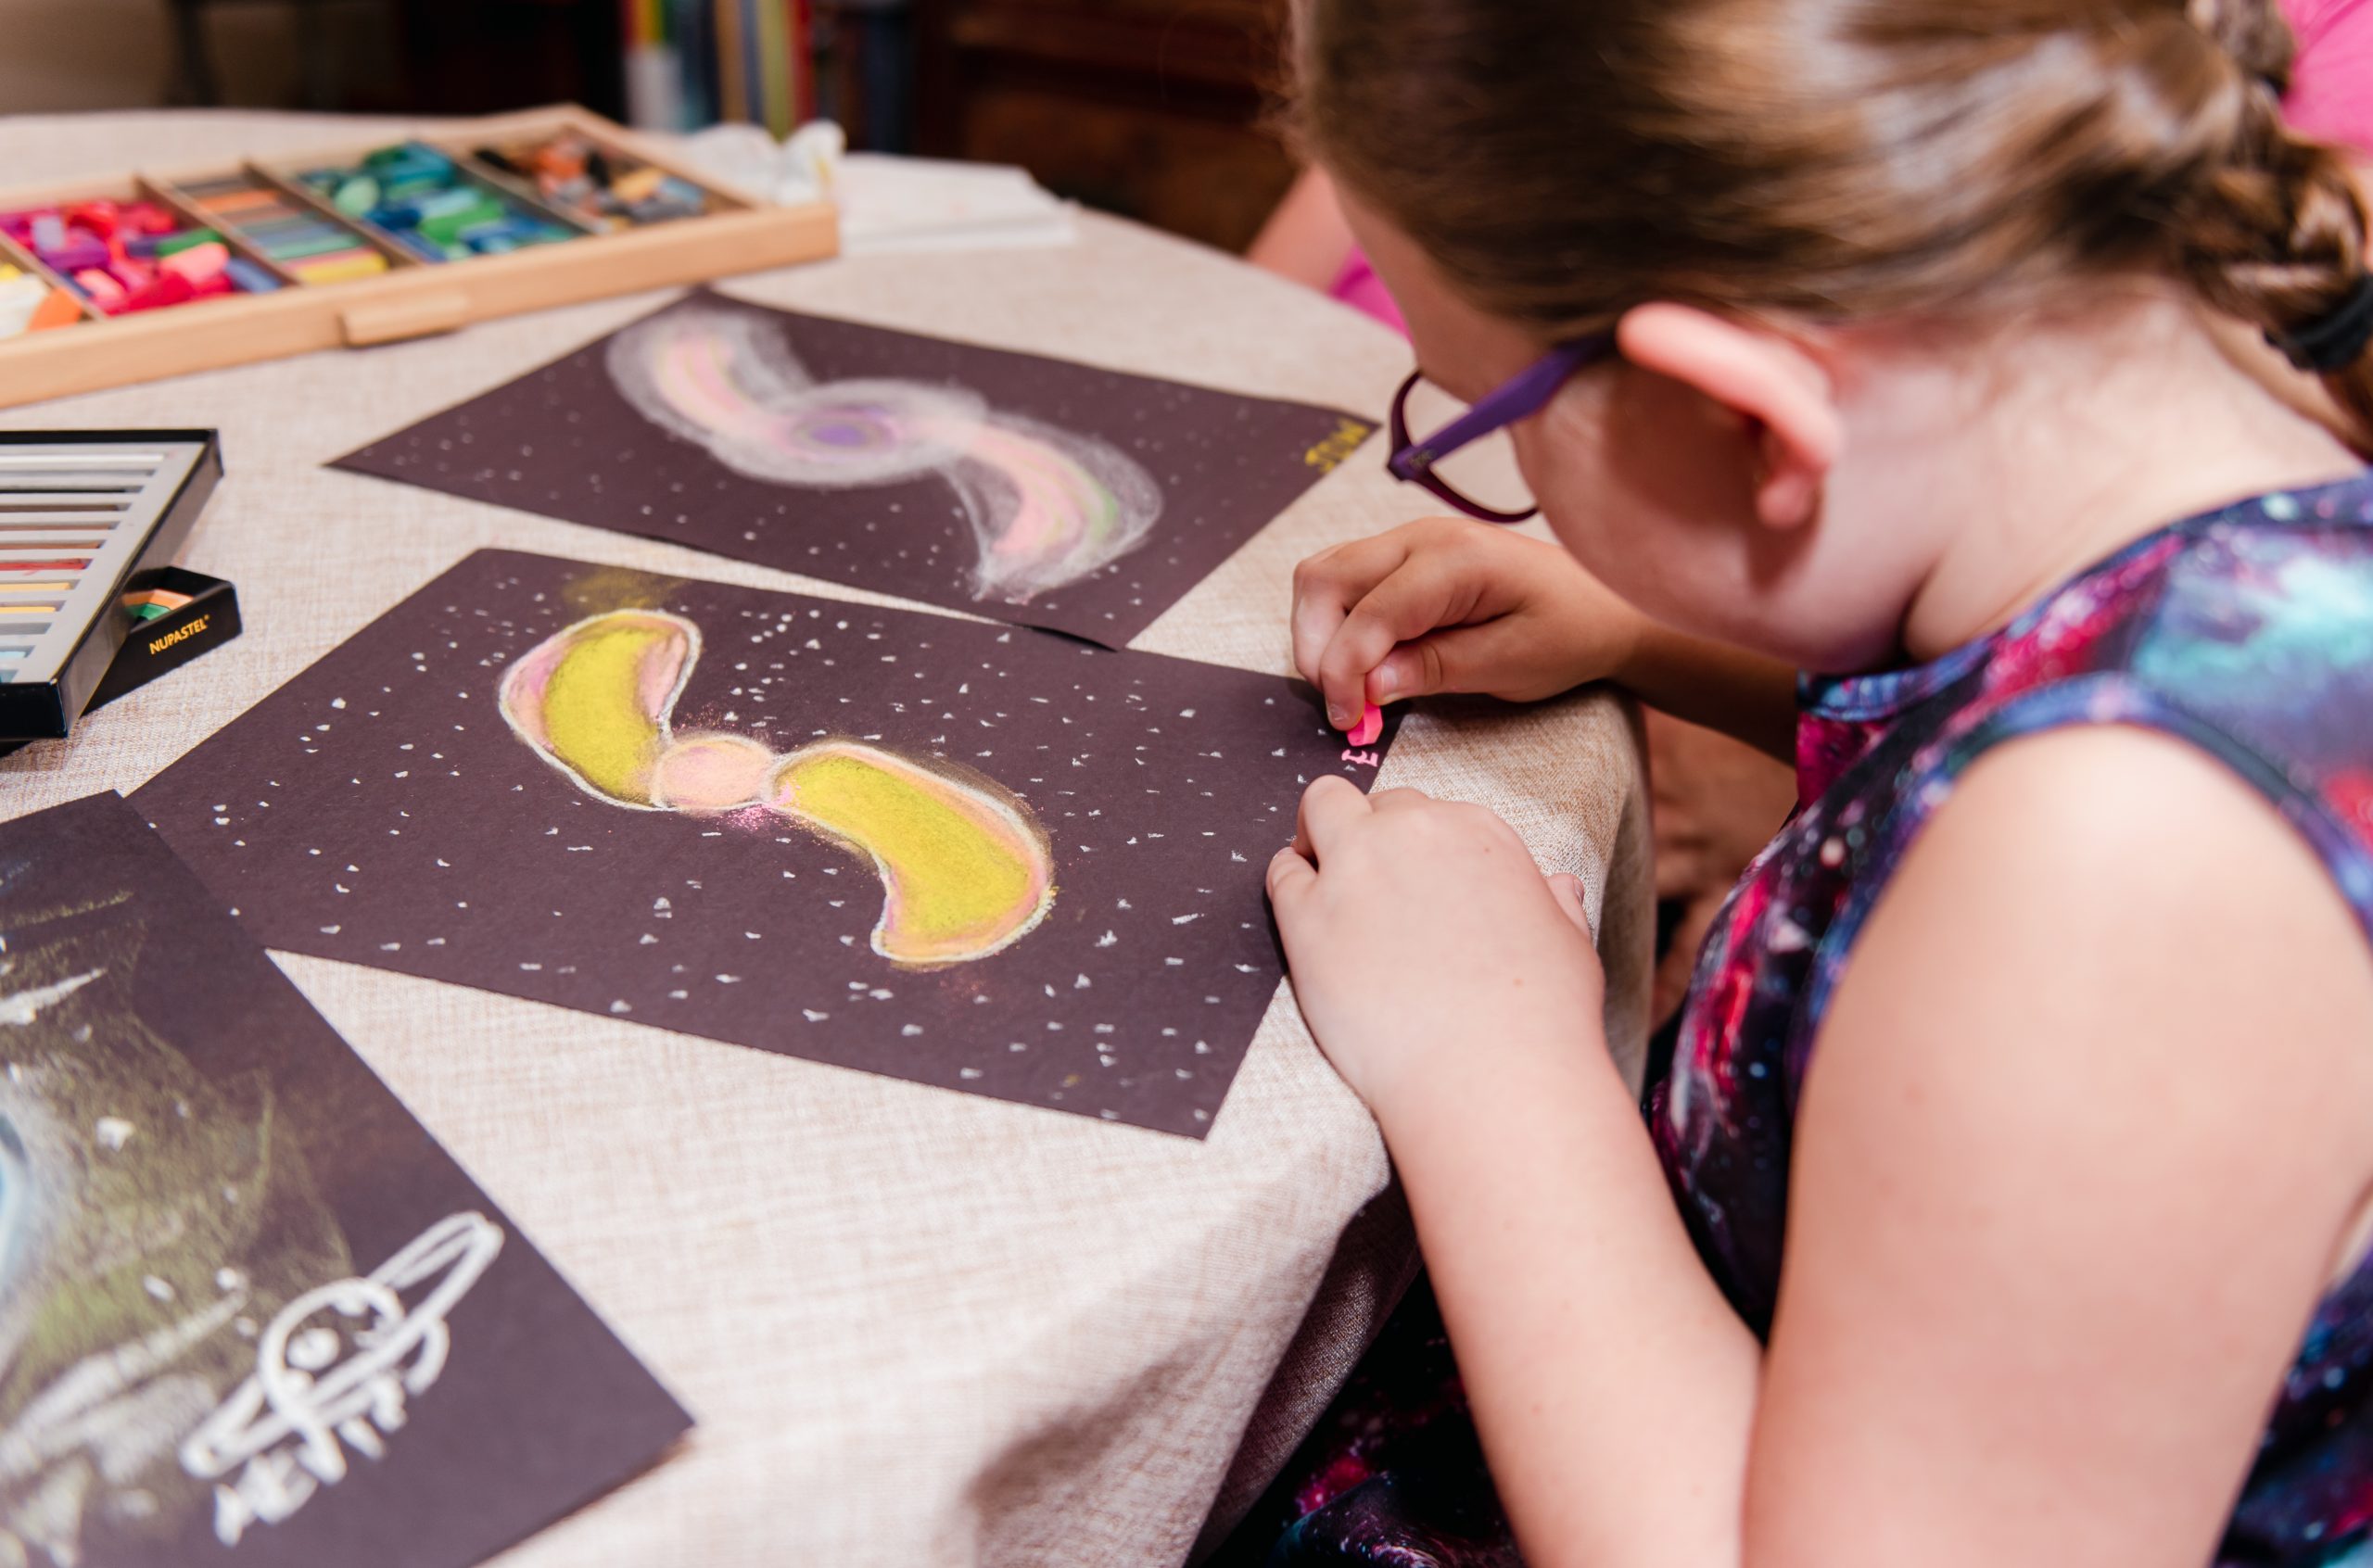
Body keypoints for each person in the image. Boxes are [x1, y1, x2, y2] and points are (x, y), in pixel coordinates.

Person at [1255, 0, 2373, 1562]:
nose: (1494, 482)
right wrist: (1640, 622)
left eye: (1486, 423)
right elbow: (1993, 699)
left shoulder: (2137, 867)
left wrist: (1495, 1062)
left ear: (1744, 415)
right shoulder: (2208, 454)